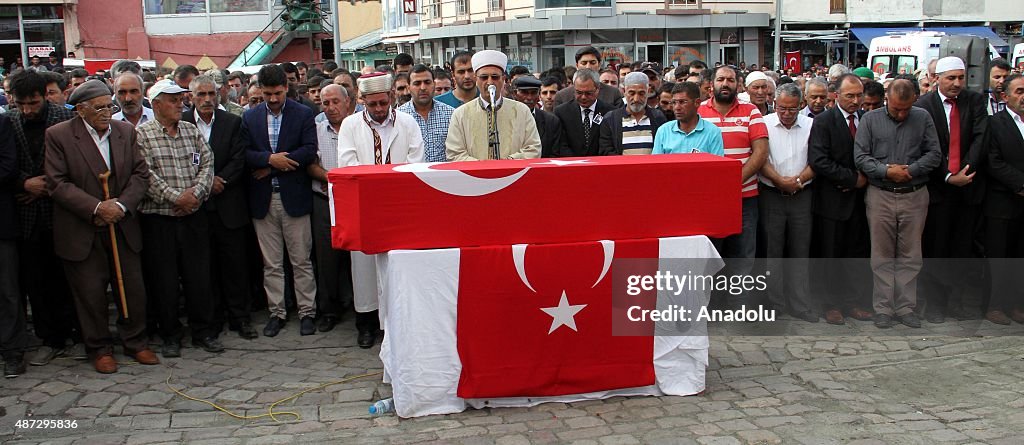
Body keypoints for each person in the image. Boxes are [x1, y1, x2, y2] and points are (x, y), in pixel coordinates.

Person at [45, 80, 160, 373]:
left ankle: (135, 341)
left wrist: (120, 206)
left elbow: (140, 174)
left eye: (109, 106)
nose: (107, 113)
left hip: (122, 225)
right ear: (81, 110)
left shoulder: (124, 132)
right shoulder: (59, 136)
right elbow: (57, 183)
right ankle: (99, 348)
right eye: (99, 108)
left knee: (132, 287)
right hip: (83, 228)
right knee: (90, 292)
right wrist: (97, 207)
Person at [337, 72, 424, 347]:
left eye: (382, 103)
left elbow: (415, 162)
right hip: (363, 207)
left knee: (396, 268)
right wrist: (376, 185)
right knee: (364, 269)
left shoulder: (408, 123)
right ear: (361, 100)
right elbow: (348, 164)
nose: (377, 109)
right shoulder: (350, 125)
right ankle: (366, 324)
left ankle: (395, 325)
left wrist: (389, 187)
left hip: (400, 207)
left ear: (392, 98)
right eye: (371, 104)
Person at [135, 79, 220, 357]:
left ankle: (203, 331)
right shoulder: (142, 135)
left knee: (200, 277)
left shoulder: (190, 131)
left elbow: (207, 164)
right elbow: (145, 175)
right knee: (164, 280)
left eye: (179, 98)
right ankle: (170, 335)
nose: (179, 104)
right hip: (160, 219)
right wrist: (175, 197)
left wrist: (194, 195)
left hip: (193, 215)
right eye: (172, 100)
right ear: (156, 104)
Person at [854, 79, 942, 329]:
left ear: (914, 99)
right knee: (881, 254)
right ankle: (882, 308)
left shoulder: (923, 118)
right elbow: (860, 156)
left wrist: (911, 170)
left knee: (910, 254)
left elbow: (934, 154)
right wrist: (886, 171)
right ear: (886, 101)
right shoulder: (870, 120)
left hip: (914, 193)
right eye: (895, 109)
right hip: (881, 193)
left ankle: (905, 307)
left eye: (906, 108)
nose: (901, 114)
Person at [8, 70, 81, 366]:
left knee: (67, 278)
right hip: (25, 215)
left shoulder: (64, 118)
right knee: (34, 280)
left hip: (60, 212)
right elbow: (6, 163)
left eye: (33, 103)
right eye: (21, 104)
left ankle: (75, 334)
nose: (27, 110)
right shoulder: (10, 122)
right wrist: (24, 183)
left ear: (45, 95)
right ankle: (49, 337)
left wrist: (45, 187)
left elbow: (77, 164)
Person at [243, 64, 318, 338]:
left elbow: (309, 151)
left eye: (277, 93)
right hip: (263, 200)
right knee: (271, 263)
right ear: (260, 91)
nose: (273, 99)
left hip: (294, 197)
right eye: (267, 94)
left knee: (301, 260)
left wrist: (273, 166)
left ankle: (307, 311)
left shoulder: (303, 114)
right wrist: (267, 159)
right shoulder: (250, 118)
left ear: (286, 88)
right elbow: (245, 153)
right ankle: (277, 312)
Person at [181, 75, 257, 340]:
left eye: (211, 94)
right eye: (201, 95)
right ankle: (210, 319)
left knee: (235, 265)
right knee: (203, 268)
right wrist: (203, 184)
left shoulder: (232, 122)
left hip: (228, 202)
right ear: (190, 97)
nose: (207, 100)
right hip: (196, 207)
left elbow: (239, 158)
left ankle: (241, 318)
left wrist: (219, 180)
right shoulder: (182, 123)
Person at [915, 57, 989, 324]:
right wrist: (947, 175)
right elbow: (923, 148)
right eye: (951, 78)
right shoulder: (924, 106)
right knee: (936, 247)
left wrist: (963, 172)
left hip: (967, 186)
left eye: (961, 78)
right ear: (937, 79)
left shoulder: (975, 101)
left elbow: (981, 138)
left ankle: (955, 301)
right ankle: (934, 303)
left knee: (961, 248)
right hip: (938, 189)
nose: (957, 83)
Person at [698, 65, 769, 309]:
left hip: (745, 197)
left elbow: (760, 152)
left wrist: (734, 180)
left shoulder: (751, 112)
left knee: (743, 256)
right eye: (720, 79)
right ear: (712, 85)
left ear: (738, 85)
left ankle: (738, 307)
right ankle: (711, 306)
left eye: (730, 80)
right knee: (710, 256)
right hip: (710, 201)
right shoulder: (698, 112)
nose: (725, 84)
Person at [809, 73, 874, 325]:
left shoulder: (867, 120)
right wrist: (850, 179)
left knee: (856, 254)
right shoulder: (824, 121)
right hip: (832, 201)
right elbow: (819, 160)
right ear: (836, 95)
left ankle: (853, 302)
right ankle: (830, 304)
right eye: (850, 96)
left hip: (860, 201)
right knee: (831, 255)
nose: (855, 100)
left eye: (859, 95)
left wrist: (865, 178)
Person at [759, 83, 816, 322]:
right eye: (782, 108)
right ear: (774, 105)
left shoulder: (812, 125)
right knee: (772, 250)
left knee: (800, 251)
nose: (786, 114)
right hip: (772, 193)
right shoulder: (764, 124)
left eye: (792, 110)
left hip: (802, 194)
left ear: (801, 106)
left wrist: (798, 180)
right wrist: (779, 180)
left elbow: (818, 158)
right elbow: (759, 158)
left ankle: (800, 304)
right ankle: (774, 303)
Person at [306, 84, 354, 333]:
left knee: (356, 257)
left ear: (347, 102)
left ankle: (361, 309)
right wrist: (331, 179)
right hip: (324, 200)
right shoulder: (315, 129)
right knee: (326, 258)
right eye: (326, 104)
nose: (331, 108)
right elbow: (310, 163)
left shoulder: (358, 126)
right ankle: (329, 310)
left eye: (336, 102)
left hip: (354, 201)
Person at [446, 51, 541, 161]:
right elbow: (454, 154)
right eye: (484, 77)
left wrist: (507, 163)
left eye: (495, 77)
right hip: (475, 176)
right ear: (476, 79)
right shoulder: (460, 114)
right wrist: (484, 168)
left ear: (504, 79)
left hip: (514, 175)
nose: (490, 82)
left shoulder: (521, 111)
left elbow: (533, 149)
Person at [984, 73, 1024, 325]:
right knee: (999, 257)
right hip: (1002, 202)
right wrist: (1020, 183)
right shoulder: (994, 123)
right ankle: (994, 304)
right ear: (1005, 96)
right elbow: (992, 161)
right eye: (1019, 91)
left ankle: (1016, 303)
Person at [0, 112, 27, 378]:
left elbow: (7, 168)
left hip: (2, 224)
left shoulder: (2, 122)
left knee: (7, 290)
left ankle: (13, 350)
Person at [599, 72, 667, 156]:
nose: (636, 99)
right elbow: (606, 151)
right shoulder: (610, 119)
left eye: (641, 93)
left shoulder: (658, 117)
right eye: (632, 93)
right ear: (624, 92)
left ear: (648, 92)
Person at [397, 65, 454, 163]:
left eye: (427, 82)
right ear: (408, 87)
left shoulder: (451, 114)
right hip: (411, 176)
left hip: (444, 175)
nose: (423, 88)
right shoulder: (398, 117)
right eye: (417, 83)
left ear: (434, 84)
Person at [553, 69, 613, 157]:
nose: (583, 97)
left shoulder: (610, 112)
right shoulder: (561, 112)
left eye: (589, 93)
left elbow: (608, 145)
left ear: (597, 89)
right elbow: (561, 145)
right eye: (579, 92)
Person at [652, 82, 723, 156]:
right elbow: (656, 164)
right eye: (674, 102)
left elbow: (717, 165)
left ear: (697, 103)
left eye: (682, 102)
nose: (677, 107)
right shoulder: (663, 131)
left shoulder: (712, 132)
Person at [553, 47, 624, 108]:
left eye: (592, 63)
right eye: (584, 63)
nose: (588, 67)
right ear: (577, 66)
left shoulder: (613, 93)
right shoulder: (562, 96)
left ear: (599, 65)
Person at [513, 76, 562, 158]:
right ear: (515, 94)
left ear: (539, 94)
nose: (529, 98)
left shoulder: (551, 121)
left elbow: (555, 154)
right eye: (525, 93)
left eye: (533, 93)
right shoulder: (506, 118)